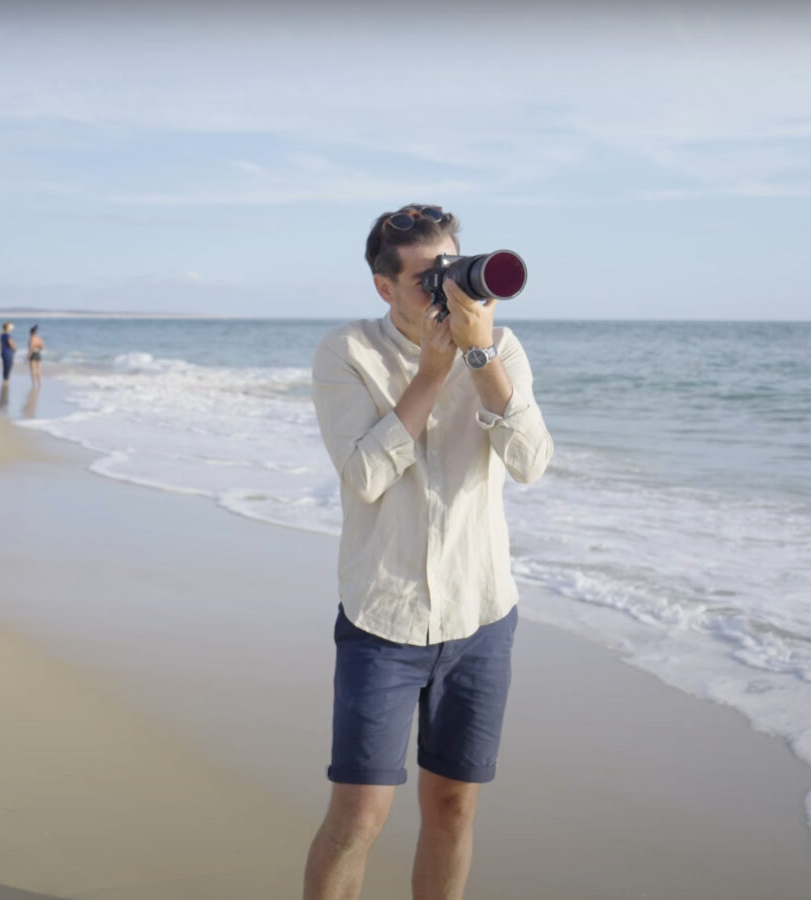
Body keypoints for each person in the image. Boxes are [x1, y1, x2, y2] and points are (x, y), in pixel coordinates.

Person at [304, 204, 553, 900]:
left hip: (480, 617)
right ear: (384, 288)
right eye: (425, 280)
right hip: (385, 620)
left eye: (452, 271)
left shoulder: (500, 350)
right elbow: (364, 476)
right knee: (358, 818)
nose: (445, 291)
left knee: (453, 807)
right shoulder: (346, 352)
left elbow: (531, 463)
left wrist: (479, 358)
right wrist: (433, 374)